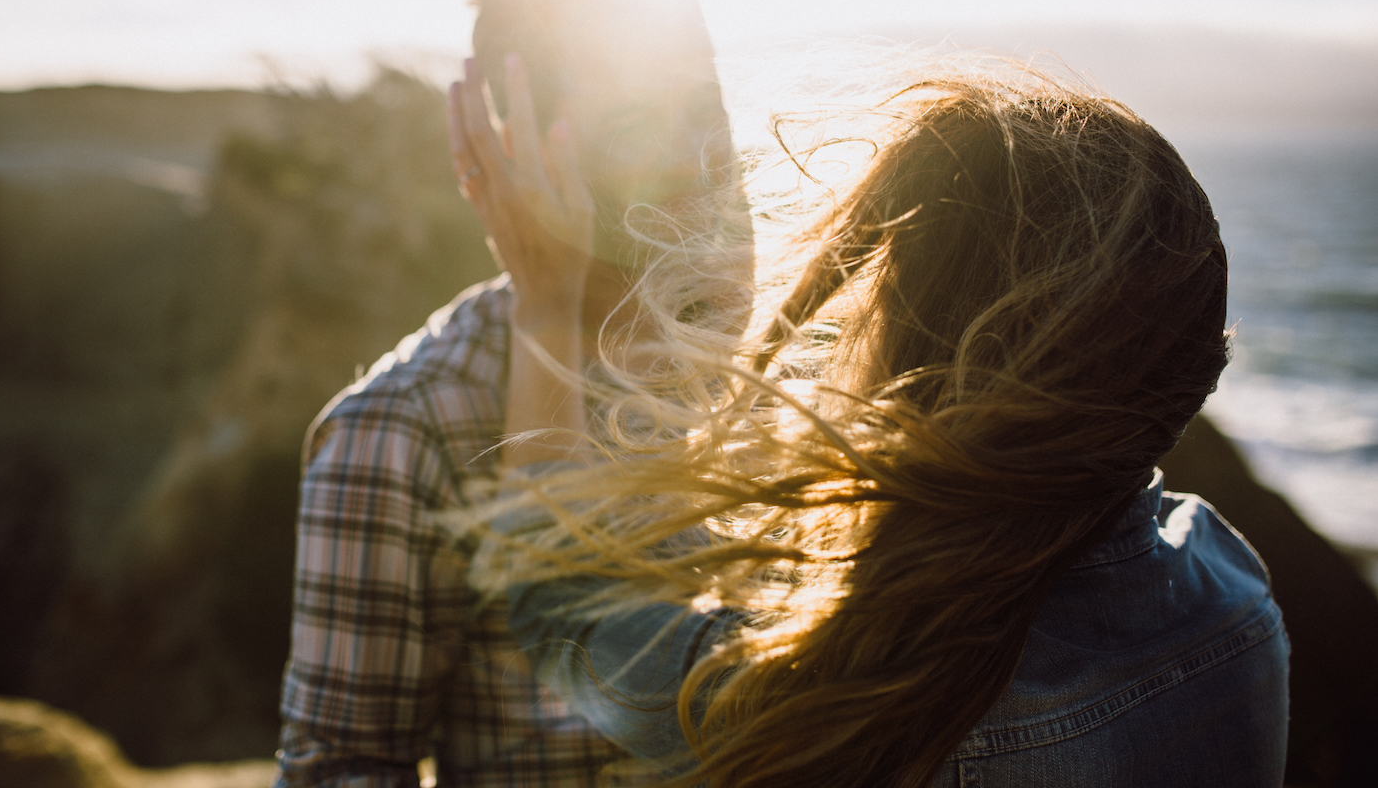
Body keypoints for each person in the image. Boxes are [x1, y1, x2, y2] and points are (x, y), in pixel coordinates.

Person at [449, 59, 1291, 788]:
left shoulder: (864, 695)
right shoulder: (1235, 595)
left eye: (883, 284)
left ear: (922, 357)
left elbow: (561, 609)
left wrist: (548, 304)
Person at [273, 0, 743, 788]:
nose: (693, 159)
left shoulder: (784, 366)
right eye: (637, 125)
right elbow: (340, 770)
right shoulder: (405, 429)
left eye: (705, 109)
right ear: (516, 147)